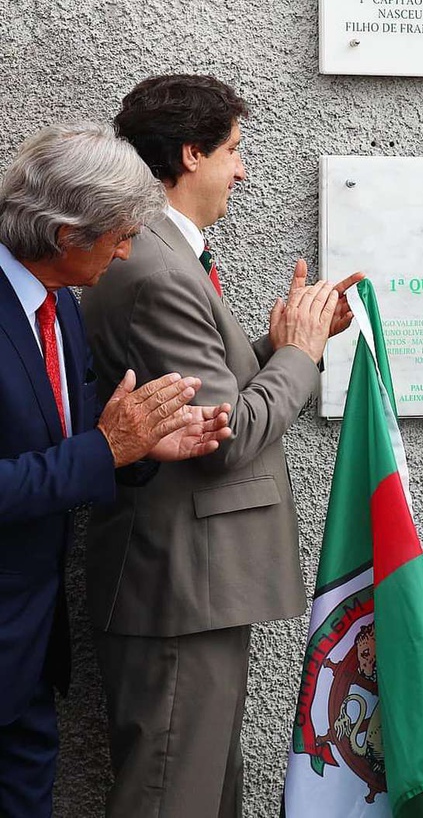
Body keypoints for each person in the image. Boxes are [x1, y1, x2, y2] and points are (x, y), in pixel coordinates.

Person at [81, 75, 362, 818]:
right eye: (233, 150)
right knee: (174, 795)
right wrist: (297, 355)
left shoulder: (162, 252)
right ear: (189, 153)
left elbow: (206, 398)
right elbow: (222, 437)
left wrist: (281, 344)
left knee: (202, 793)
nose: (243, 169)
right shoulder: (154, 267)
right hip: (177, 586)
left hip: (187, 584)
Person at [0, 122, 231, 817]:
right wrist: (107, 448)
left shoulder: (58, 306)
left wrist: (144, 447)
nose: (129, 249)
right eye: (121, 234)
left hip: (29, 657)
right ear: (68, 233)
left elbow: (76, 437)